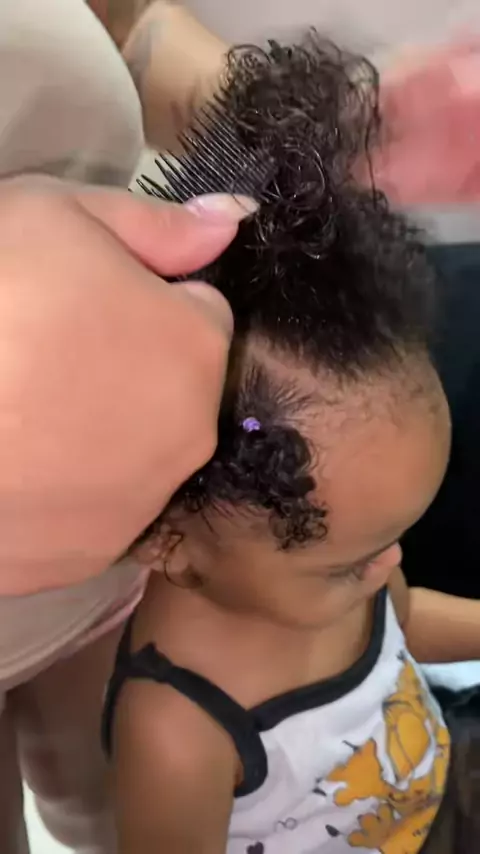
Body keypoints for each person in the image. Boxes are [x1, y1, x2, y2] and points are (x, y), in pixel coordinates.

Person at [105, 37, 480, 854]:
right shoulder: (180, 732)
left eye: (393, 539)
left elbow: (405, 620)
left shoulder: (347, 552)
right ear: (168, 540)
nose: (388, 565)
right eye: (355, 563)